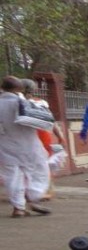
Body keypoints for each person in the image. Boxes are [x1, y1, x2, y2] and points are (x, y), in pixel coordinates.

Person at [0, 75, 52, 217]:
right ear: (19, 88)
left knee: (12, 177)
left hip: (5, 146)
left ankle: (18, 207)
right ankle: (33, 197)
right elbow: (43, 121)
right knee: (39, 170)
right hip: (29, 145)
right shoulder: (22, 102)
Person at [20, 79, 63, 199]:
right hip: (41, 136)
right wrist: (60, 136)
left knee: (24, 165)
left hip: (22, 137)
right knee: (43, 165)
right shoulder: (40, 103)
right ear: (33, 90)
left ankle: (26, 191)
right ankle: (44, 190)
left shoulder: (17, 102)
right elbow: (51, 121)